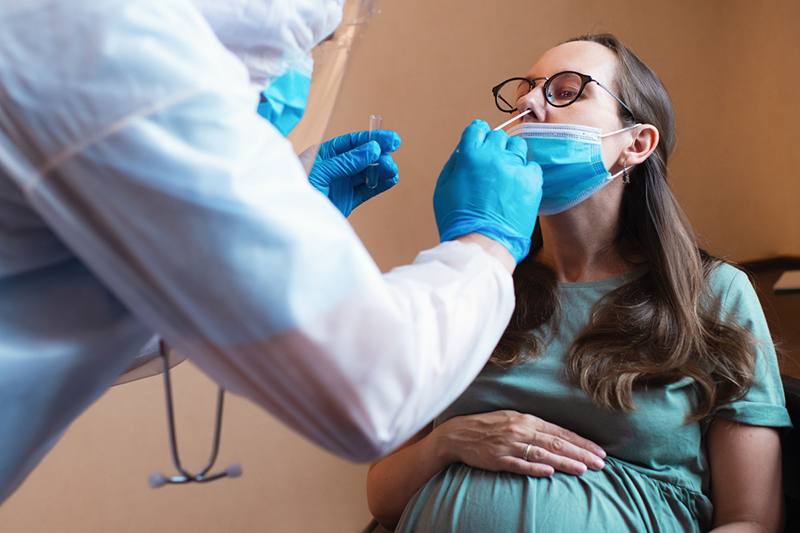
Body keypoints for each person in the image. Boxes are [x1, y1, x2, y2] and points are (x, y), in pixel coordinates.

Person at [0, 0, 544, 504]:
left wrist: (266, 228)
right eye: (312, 42)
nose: (530, 104)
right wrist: (486, 243)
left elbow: (56, 308)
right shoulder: (122, 49)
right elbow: (370, 387)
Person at [366, 34, 791, 532]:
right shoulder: (474, 283)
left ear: (636, 144)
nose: (528, 102)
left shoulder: (715, 293)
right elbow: (383, 498)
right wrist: (449, 440)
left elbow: (753, 520)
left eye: (566, 90)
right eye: (525, 90)